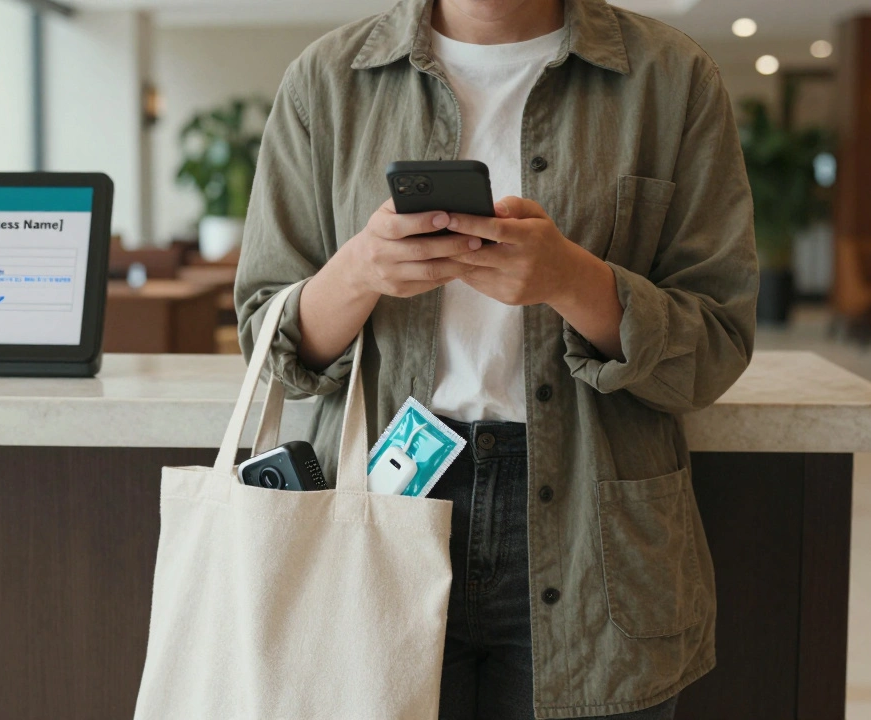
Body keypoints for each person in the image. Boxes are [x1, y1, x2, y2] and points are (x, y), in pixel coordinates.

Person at [233, 0, 758, 718]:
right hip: (375, 510)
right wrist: (358, 271)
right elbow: (271, 345)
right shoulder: (328, 80)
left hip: (592, 528)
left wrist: (574, 281)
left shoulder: (671, 78)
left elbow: (717, 343)